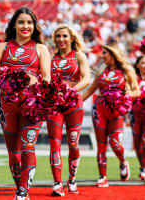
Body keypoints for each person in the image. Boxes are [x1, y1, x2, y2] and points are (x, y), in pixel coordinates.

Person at [0, 6, 51, 200]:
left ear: (34, 26)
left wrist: (36, 84)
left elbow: (46, 76)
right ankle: (21, 189)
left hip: (32, 103)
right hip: (7, 103)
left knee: (28, 145)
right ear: (14, 25)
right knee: (14, 152)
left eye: (29, 22)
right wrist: (2, 82)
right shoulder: (2, 47)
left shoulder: (41, 48)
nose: (25, 26)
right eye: (21, 22)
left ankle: (22, 192)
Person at [83, 41, 140, 187]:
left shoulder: (127, 71)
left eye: (104, 53)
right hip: (100, 110)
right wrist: (74, 102)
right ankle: (102, 176)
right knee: (101, 145)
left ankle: (123, 161)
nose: (102, 56)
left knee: (115, 143)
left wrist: (123, 97)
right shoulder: (102, 72)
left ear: (113, 54)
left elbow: (137, 92)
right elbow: (90, 90)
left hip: (116, 111)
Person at [48, 24, 90, 196]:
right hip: (54, 105)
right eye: (58, 36)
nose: (61, 39)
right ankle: (57, 184)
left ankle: (72, 178)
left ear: (72, 38)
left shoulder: (79, 56)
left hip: (73, 104)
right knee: (54, 144)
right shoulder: (51, 58)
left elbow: (87, 79)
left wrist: (70, 91)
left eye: (64, 36)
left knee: (73, 143)